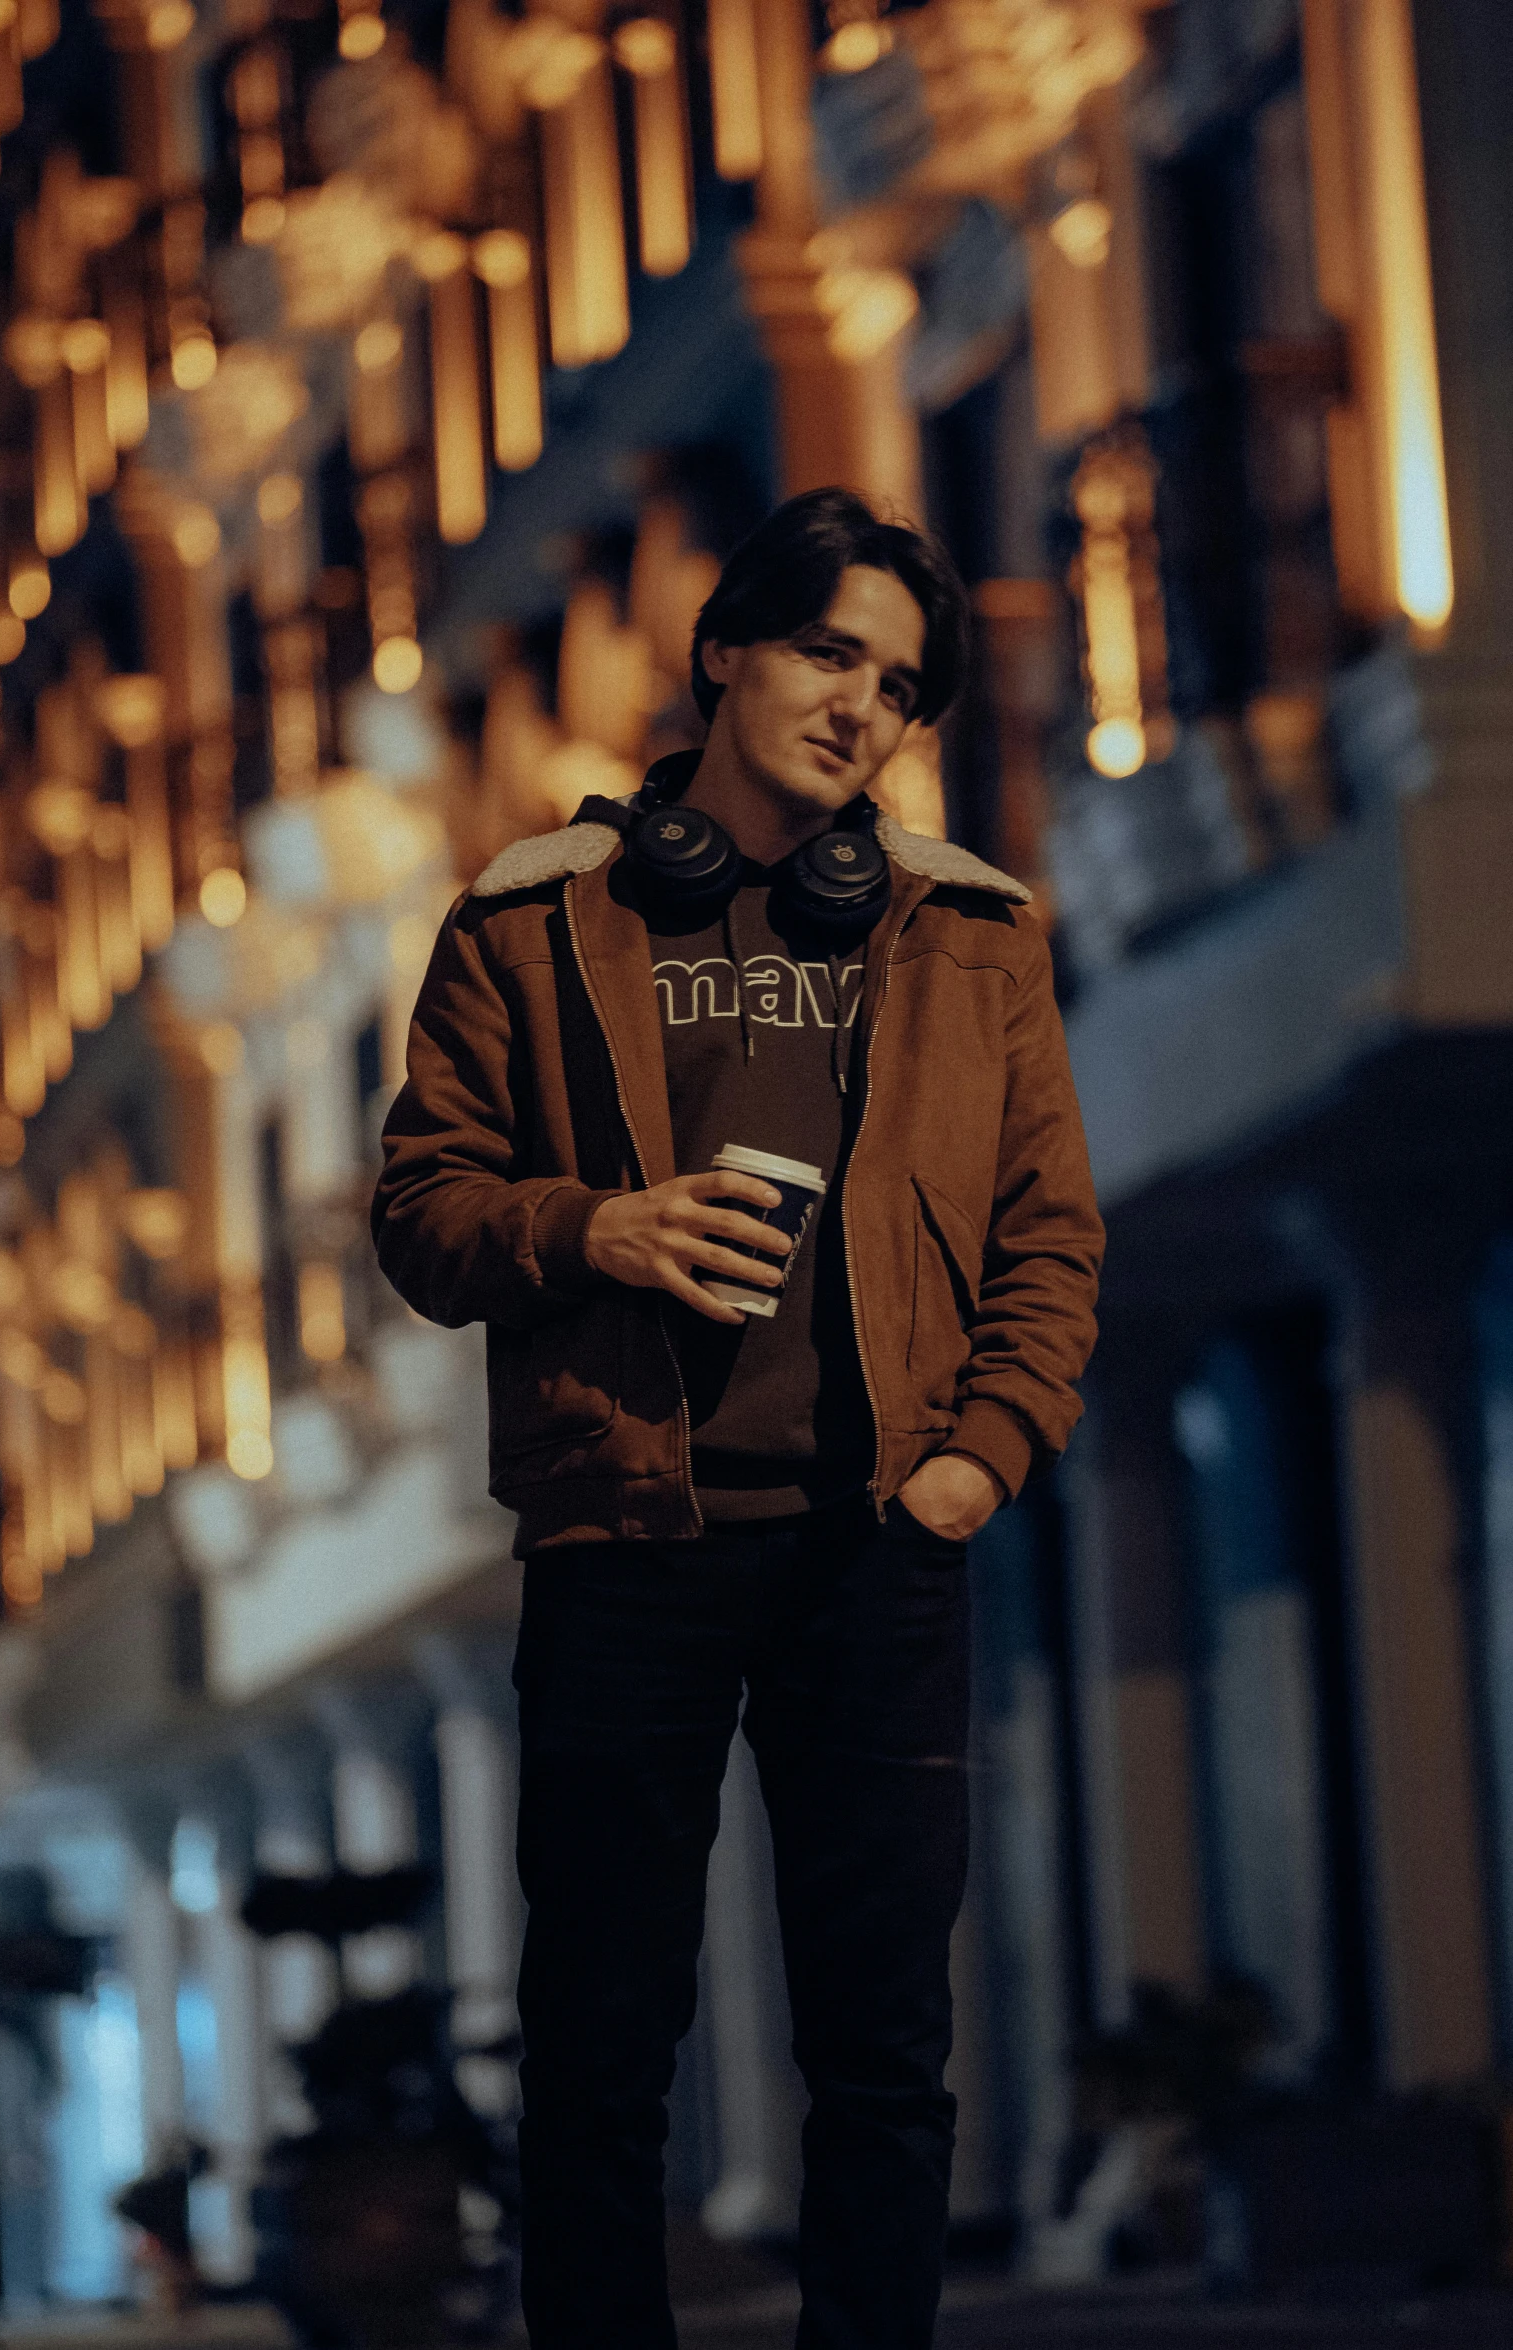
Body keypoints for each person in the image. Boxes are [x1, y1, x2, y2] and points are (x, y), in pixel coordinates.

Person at [372, 487, 1104, 2349]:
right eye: (827, 651)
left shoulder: (972, 930)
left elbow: (1044, 1235)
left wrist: (973, 1460)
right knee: (603, 2044)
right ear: (726, 653)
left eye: (901, 684)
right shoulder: (532, 917)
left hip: (881, 1536)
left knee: (885, 2052)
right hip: (630, 1529)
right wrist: (590, 1223)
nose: (862, 705)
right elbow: (421, 1212)